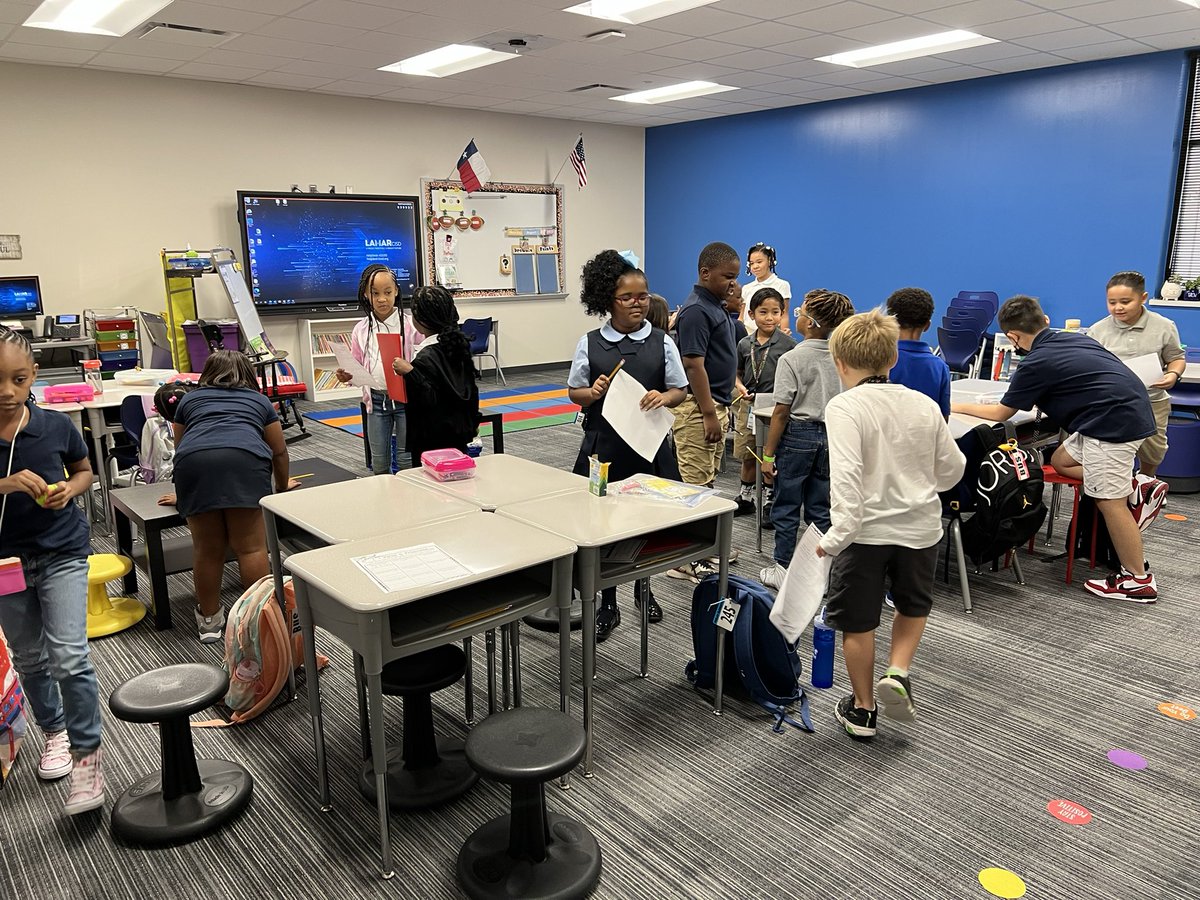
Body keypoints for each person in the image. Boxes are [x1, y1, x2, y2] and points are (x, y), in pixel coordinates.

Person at [952, 295, 1161, 603]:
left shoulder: (1035, 362)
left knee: (1108, 501)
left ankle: (1138, 581)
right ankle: (1130, 486)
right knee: (1062, 459)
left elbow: (1001, 413)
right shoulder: (1073, 339)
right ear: (1045, 321)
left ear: (1013, 337)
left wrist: (953, 405)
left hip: (1110, 426)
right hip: (1125, 412)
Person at [816, 311, 966, 739]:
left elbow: (846, 478)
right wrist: (918, 483)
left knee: (858, 621)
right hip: (920, 529)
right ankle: (898, 671)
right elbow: (953, 469)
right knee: (912, 604)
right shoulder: (923, 404)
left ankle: (863, 710)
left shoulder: (844, 406)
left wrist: (835, 538)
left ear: (839, 363)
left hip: (864, 534)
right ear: (893, 357)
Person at [0, 327, 104, 814]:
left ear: (34, 376)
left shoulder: (56, 426)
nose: (7, 392)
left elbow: (85, 471)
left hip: (61, 551)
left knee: (69, 656)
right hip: (6, 564)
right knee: (29, 657)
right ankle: (55, 731)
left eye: (18, 379)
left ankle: (87, 762)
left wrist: (70, 490)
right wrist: (5, 484)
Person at [567, 251, 687, 639]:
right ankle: (609, 602)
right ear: (608, 300)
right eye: (627, 297)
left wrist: (664, 397)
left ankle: (644, 589)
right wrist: (591, 392)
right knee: (605, 525)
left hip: (648, 448)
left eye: (643, 296)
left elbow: (680, 390)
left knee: (647, 522)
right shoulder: (590, 343)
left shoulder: (662, 342)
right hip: (604, 448)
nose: (638, 304)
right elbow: (574, 391)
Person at [161, 351, 300, 642]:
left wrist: (184, 493)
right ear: (248, 374)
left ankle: (209, 622)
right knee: (250, 549)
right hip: (244, 462)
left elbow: (184, 448)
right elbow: (279, 451)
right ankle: (256, 621)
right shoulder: (259, 401)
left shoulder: (189, 400)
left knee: (206, 549)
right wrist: (281, 487)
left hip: (194, 468)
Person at [759, 289, 854, 590]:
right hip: (832, 436)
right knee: (820, 508)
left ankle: (783, 568)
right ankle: (818, 574)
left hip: (798, 435)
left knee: (786, 504)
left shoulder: (791, 358)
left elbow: (781, 412)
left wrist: (768, 455)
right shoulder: (843, 358)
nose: (796, 315)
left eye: (799, 311)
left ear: (810, 323)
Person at [669, 241, 741, 583]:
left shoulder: (716, 306)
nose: (733, 283)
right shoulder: (697, 310)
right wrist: (709, 413)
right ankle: (687, 559)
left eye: (736, 277)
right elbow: (693, 365)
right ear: (705, 273)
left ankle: (706, 546)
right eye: (727, 277)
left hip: (716, 404)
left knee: (707, 481)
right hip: (699, 408)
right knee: (694, 486)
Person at [1087, 270, 1186, 478]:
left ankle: (1147, 481)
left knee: (1154, 449)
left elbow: (1176, 358)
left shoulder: (1164, 326)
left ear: (1143, 298)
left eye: (1125, 301)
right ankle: (1119, 485)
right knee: (1112, 449)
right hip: (1113, 402)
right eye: (1112, 302)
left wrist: (1173, 374)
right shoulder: (1097, 330)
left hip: (1152, 400)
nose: (1118, 307)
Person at [335, 264, 424, 474]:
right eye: (375, 293)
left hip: (407, 400)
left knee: (406, 460)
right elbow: (356, 364)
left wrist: (409, 368)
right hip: (376, 401)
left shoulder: (411, 326)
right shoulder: (361, 329)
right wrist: (347, 376)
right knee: (379, 461)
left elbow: (424, 361)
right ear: (366, 295)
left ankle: (408, 494)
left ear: (396, 292)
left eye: (387, 292)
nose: (382, 299)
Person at [390, 285, 480, 462]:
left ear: (420, 319)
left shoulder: (426, 357)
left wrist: (410, 372)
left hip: (432, 440)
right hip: (458, 433)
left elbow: (429, 400)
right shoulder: (456, 347)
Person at [731, 287, 795, 519]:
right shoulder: (744, 344)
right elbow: (736, 373)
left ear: (782, 313)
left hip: (773, 409)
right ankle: (745, 497)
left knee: (771, 454)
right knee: (747, 453)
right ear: (751, 314)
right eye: (763, 312)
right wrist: (739, 386)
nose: (769, 318)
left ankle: (769, 501)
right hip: (748, 406)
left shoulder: (788, 345)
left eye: (775, 312)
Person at [886, 287, 951, 418]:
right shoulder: (940, 367)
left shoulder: (882, 361)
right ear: (927, 325)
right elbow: (943, 419)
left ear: (891, 322)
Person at [741, 242, 792, 333]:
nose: (755, 266)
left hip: (772, 334)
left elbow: (784, 315)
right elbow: (741, 317)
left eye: (759, 262)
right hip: (747, 334)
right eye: (751, 263)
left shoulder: (782, 285)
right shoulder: (746, 288)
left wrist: (784, 336)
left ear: (769, 261)